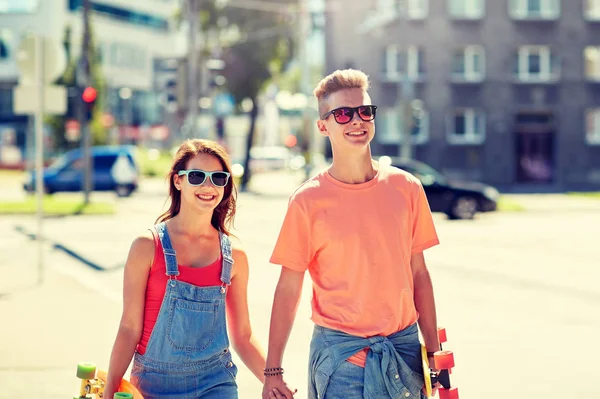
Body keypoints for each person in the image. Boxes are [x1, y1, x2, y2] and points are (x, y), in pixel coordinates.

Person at [262, 69, 441, 399]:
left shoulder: (407, 188)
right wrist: (273, 370)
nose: (356, 122)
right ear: (323, 126)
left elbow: (419, 274)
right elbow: (288, 287)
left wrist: (435, 350)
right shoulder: (307, 201)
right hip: (341, 361)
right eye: (342, 114)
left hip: (404, 355)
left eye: (364, 112)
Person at [105, 139, 266, 398]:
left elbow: (244, 336)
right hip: (153, 385)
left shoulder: (235, 256)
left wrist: (273, 379)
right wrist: (110, 390)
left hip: (216, 383)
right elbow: (129, 328)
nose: (208, 185)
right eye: (197, 176)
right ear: (178, 181)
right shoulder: (147, 247)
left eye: (218, 178)